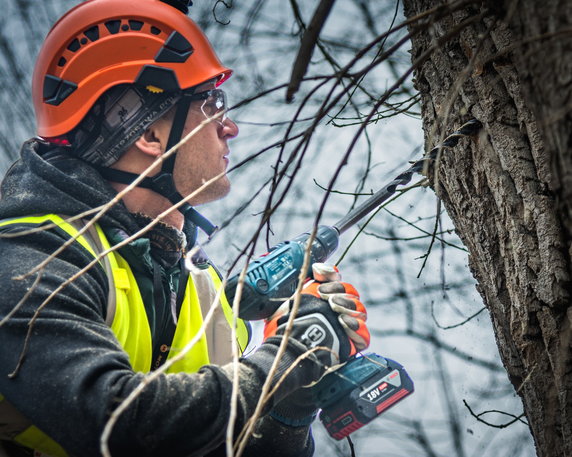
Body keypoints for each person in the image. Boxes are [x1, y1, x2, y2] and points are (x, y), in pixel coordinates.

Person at [0, 1, 371, 456]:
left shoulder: (202, 291)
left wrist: (289, 406)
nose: (230, 127)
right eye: (212, 105)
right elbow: (119, 423)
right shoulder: (29, 261)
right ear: (148, 135)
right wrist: (286, 360)